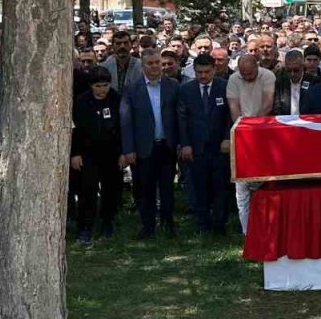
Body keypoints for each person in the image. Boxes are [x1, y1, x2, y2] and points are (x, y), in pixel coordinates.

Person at [120, 49, 181, 240]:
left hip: (167, 145)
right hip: (144, 147)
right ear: (143, 66)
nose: (156, 67)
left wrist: (180, 142)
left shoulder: (173, 86)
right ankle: (147, 225)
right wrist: (128, 149)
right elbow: (126, 121)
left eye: (158, 63)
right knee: (145, 188)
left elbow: (179, 117)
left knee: (167, 187)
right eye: (151, 64)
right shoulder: (132, 88)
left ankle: (168, 223)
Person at [177, 53, 233, 235]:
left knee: (220, 186)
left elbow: (229, 115)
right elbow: (182, 119)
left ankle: (219, 224)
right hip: (196, 147)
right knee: (199, 186)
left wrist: (227, 137)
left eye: (207, 72)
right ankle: (202, 223)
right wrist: (185, 144)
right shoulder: (186, 90)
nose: (203, 76)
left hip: (219, 147)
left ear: (214, 69)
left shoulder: (224, 87)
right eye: (199, 72)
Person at [70, 67, 124, 244]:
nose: (102, 89)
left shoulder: (116, 98)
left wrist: (123, 152)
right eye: (98, 86)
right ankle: (85, 227)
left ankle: (108, 222)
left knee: (111, 190)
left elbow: (123, 127)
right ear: (91, 85)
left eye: (105, 85)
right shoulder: (82, 101)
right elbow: (76, 130)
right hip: (88, 154)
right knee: (88, 191)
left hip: (111, 153)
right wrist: (75, 153)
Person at [226, 55, 275, 234]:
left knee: (263, 183)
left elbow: (267, 105)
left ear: (257, 66)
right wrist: (242, 129)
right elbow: (233, 108)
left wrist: (254, 128)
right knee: (242, 185)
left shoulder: (268, 76)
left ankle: (266, 225)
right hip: (241, 134)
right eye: (243, 74)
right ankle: (246, 230)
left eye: (250, 73)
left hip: (264, 133)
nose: (246, 77)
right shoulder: (233, 79)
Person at [271, 48, 310, 116]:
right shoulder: (280, 82)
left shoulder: (312, 82)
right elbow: (276, 107)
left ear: (303, 67)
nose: (292, 74)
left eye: (296, 70)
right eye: (289, 70)